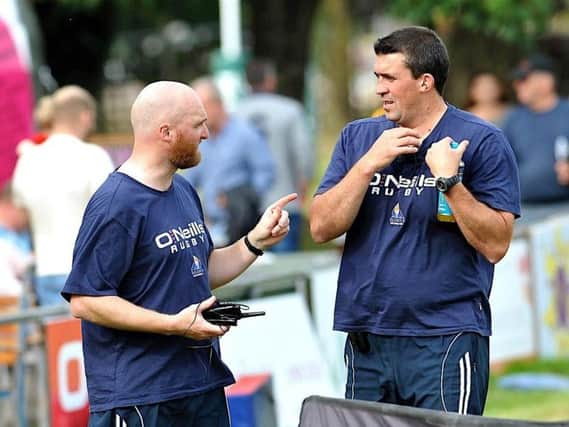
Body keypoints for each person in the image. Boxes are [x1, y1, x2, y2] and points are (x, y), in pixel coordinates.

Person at [309, 26, 520, 415]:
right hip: (369, 335)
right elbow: (321, 227)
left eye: (389, 78)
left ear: (425, 82)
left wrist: (450, 182)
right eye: (377, 77)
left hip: (445, 335)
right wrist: (369, 163)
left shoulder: (482, 140)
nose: (379, 88)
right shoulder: (359, 138)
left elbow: (496, 244)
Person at [61, 81, 295, 426]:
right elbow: (86, 300)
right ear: (166, 132)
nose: (207, 133)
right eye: (198, 124)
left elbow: (201, 268)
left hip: (200, 383)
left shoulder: (183, 189)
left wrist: (254, 242)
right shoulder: (116, 204)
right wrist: (173, 325)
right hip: (141, 395)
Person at [12, 85, 114, 306]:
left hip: (46, 269)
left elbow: (19, 219)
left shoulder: (27, 160)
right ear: (85, 116)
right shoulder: (93, 157)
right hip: (88, 270)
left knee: (58, 339)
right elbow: (111, 215)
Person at [181, 77, 274, 246]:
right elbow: (188, 180)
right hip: (211, 228)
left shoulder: (246, 134)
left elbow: (265, 173)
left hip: (242, 227)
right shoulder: (200, 140)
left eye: (201, 107)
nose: (195, 115)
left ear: (218, 104)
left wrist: (240, 197)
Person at [236, 59, 313, 252]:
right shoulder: (290, 110)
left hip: (245, 203)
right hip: (284, 199)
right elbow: (302, 152)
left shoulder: (235, 114)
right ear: (270, 80)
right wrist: (303, 186)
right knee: (285, 269)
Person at [502, 53, 569, 204]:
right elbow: (499, 162)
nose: (517, 84)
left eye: (524, 79)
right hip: (524, 209)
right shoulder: (513, 120)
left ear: (547, 82)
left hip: (565, 209)